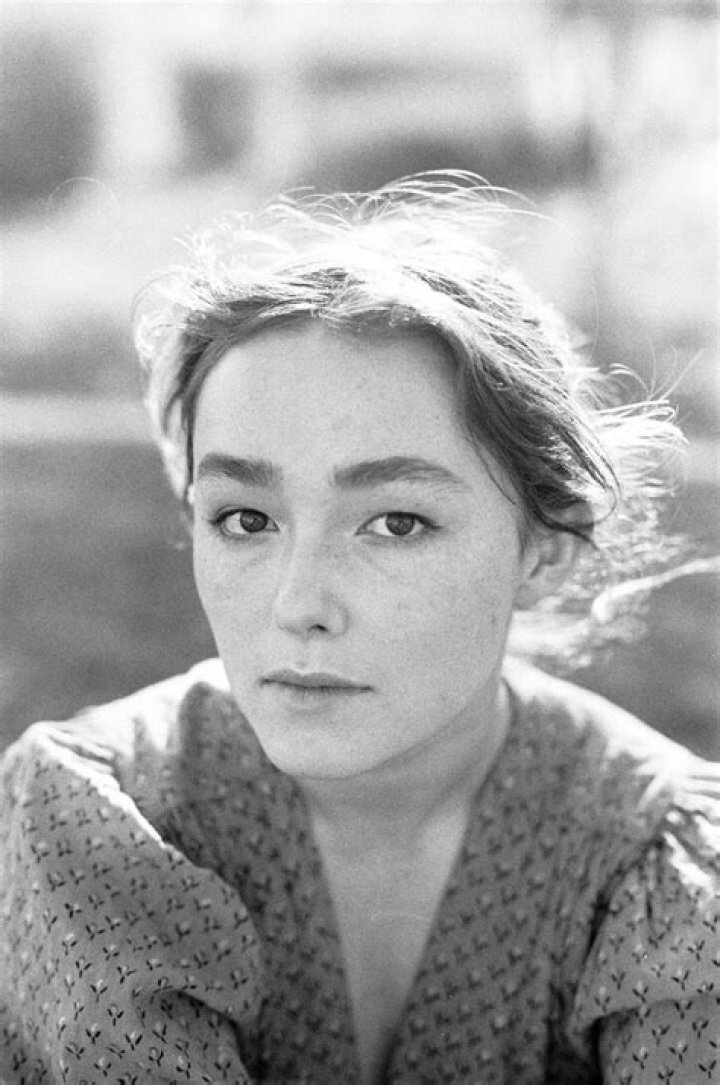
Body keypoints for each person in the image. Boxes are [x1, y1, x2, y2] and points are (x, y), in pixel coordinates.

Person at [1, 174, 718, 1085]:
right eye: (245, 519)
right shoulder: (99, 816)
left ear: (545, 546)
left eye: (396, 522)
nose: (298, 602)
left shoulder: (664, 864)